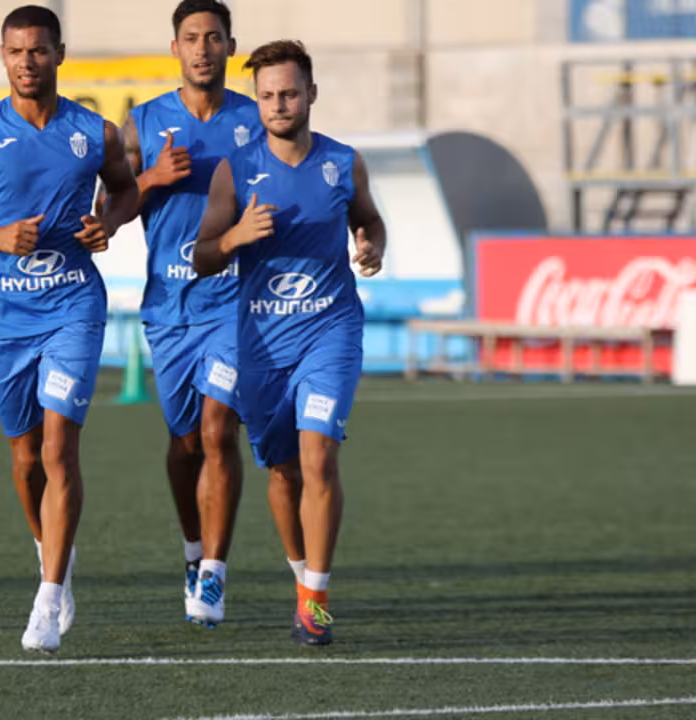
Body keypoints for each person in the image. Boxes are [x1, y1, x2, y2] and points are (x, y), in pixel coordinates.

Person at [0, 5, 139, 653]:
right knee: (24, 459)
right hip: (4, 318)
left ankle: (46, 599)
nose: (27, 62)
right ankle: (55, 556)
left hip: (73, 305)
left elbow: (126, 191)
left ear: (59, 54)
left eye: (38, 50)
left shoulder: (93, 132)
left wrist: (109, 223)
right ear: (3, 56)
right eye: (16, 51)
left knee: (58, 447)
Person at [193, 40, 386, 646]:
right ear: (257, 101)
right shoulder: (235, 169)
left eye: (290, 93)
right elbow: (202, 256)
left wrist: (372, 244)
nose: (279, 104)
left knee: (318, 457)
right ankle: (302, 576)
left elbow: (368, 218)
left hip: (330, 332)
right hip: (263, 345)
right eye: (268, 95)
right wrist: (235, 237)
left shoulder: (343, 162)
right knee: (282, 471)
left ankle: (315, 603)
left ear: (311, 95)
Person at [123, 0, 261, 627]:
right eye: (191, 38)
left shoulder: (256, 119)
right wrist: (151, 178)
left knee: (217, 430)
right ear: (174, 48)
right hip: (170, 308)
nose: (203, 48)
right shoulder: (143, 122)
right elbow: (109, 208)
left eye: (213, 37)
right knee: (183, 444)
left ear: (230, 45)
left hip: (234, 303)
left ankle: (214, 573)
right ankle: (191, 548)